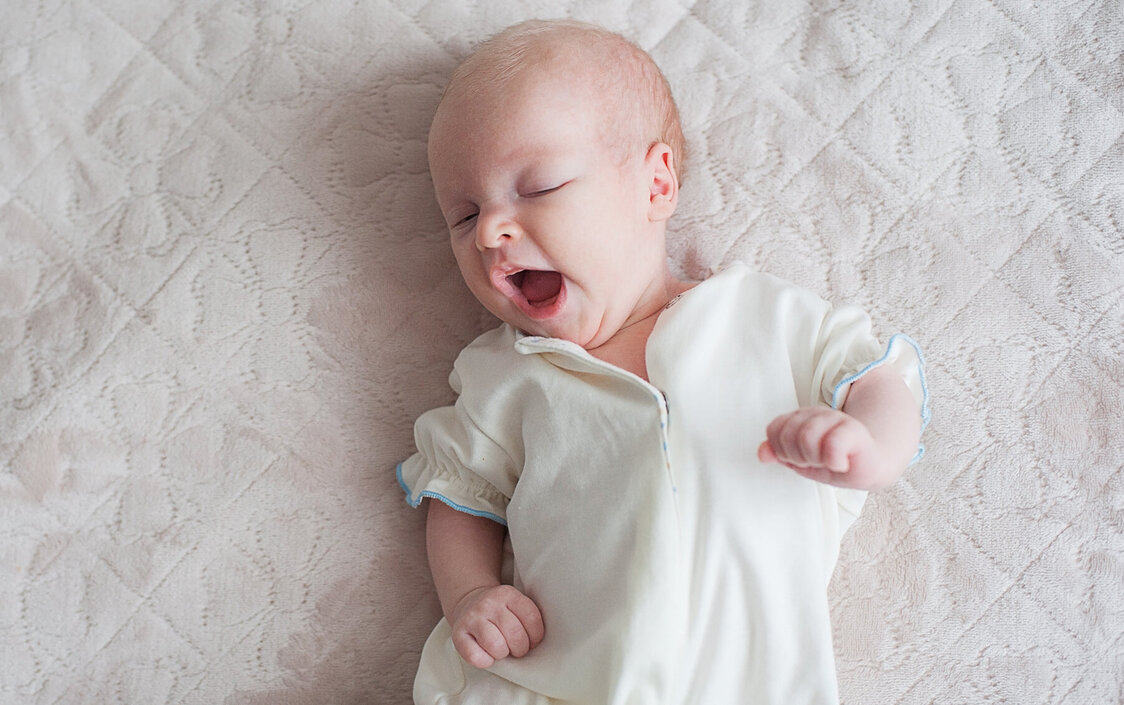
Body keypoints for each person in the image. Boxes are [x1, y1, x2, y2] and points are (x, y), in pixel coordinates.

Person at [397, 18, 929, 704]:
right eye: (464, 215)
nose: (493, 232)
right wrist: (471, 593)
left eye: (539, 188)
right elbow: (459, 498)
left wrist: (870, 447)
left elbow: (878, 380)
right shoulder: (507, 372)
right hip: (554, 682)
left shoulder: (763, 318)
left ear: (655, 186)